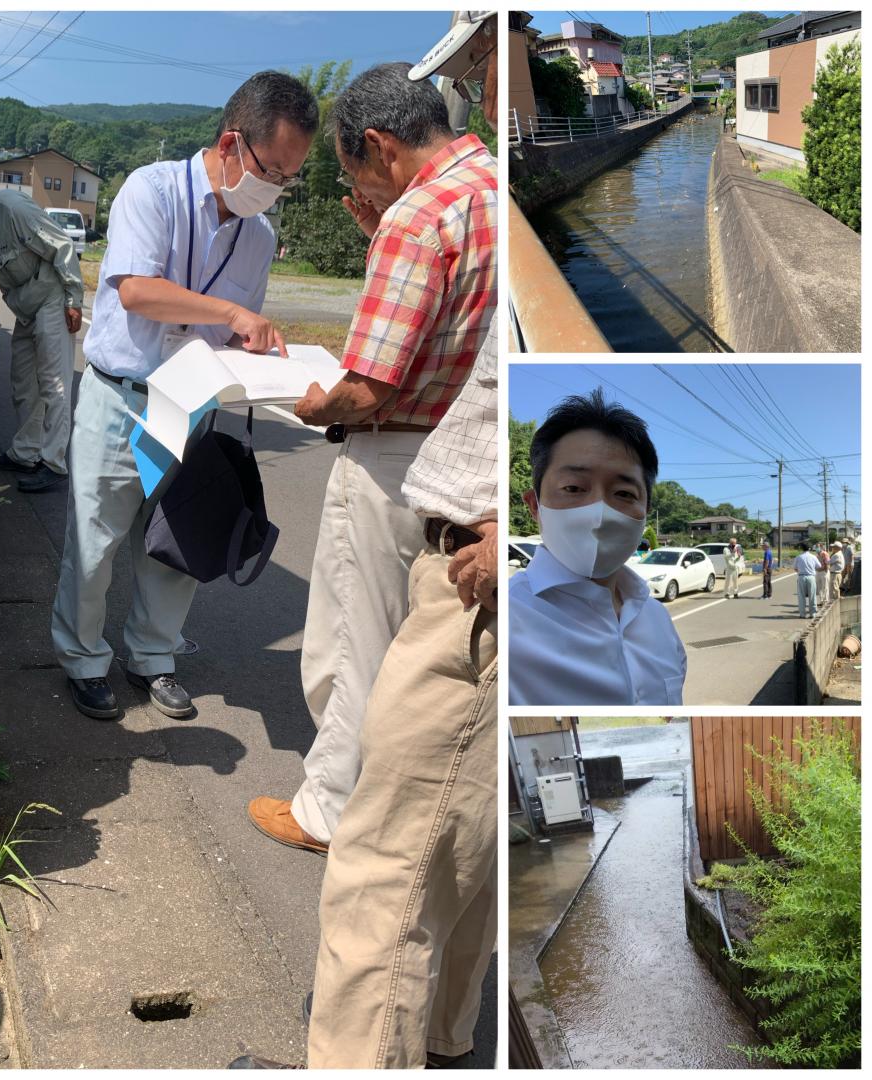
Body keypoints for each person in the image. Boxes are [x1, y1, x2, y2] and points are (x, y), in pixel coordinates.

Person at [232, 15, 499, 1068]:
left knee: (355, 650)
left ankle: (326, 804)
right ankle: (452, 1028)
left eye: (356, 173)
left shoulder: (417, 218)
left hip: (400, 463)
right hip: (470, 471)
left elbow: (369, 384)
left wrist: (306, 396)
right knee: (429, 698)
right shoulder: (491, 190)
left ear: (378, 148)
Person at [50, 72, 318, 720]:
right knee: (96, 539)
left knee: (175, 542)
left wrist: (254, 356)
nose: (277, 189)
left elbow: (232, 328)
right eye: (272, 171)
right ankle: (83, 659)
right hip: (122, 395)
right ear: (232, 145)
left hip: (189, 404)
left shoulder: (256, 237)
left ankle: (152, 656)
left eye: (290, 179)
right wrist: (228, 313)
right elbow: (136, 290)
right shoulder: (153, 190)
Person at [507, 389, 687, 706]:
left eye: (623, 493)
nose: (599, 512)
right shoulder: (505, 624)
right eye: (574, 488)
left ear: (646, 511)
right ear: (534, 505)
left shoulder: (657, 619)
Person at [0, 189, 84, 494]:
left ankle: (54, 464)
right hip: (24, 305)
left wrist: (74, 298)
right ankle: (25, 454)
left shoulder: (12, 210)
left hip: (52, 296)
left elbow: (61, 245)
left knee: (54, 383)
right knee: (23, 383)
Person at [794, 542, 819, 619]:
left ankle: (802, 614)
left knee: (801, 596)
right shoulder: (813, 557)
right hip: (811, 577)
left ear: (802, 549)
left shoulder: (798, 557)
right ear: (809, 549)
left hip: (801, 576)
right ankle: (813, 613)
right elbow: (818, 566)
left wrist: (801, 571)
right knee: (812, 595)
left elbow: (795, 568)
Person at [815, 542, 829, 606]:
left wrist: (825, 570)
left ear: (821, 547)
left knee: (825, 586)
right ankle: (821, 601)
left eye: (818, 547)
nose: (817, 548)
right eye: (816, 547)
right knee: (819, 587)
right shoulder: (817, 555)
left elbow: (827, 563)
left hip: (824, 572)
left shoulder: (824, 553)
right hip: (818, 572)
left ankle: (825, 601)